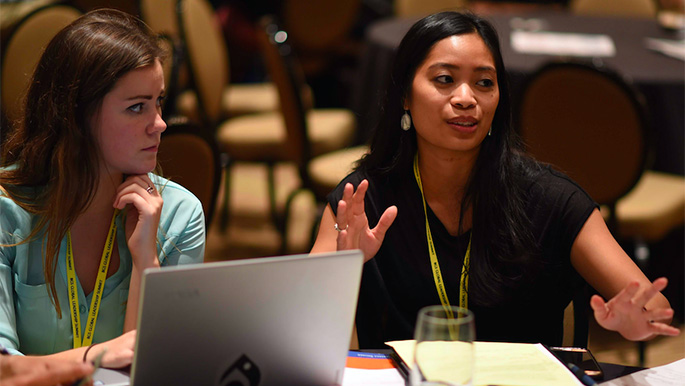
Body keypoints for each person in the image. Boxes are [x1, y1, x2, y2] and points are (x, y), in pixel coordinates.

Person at [311, 11, 680, 348]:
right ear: (405, 95)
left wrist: (638, 322)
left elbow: (652, 308)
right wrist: (345, 273)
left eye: (484, 83)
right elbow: (309, 334)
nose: (466, 98)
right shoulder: (362, 201)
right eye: (444, 79)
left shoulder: (548, 200)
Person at [0, 9, 205, 366]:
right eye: (136, 107)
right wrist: (95, 358)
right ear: (77, 115)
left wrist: (146, 264)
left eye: (158, 101)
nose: (159, 124)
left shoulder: (177, 213)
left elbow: (156, 369)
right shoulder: (8, 208)